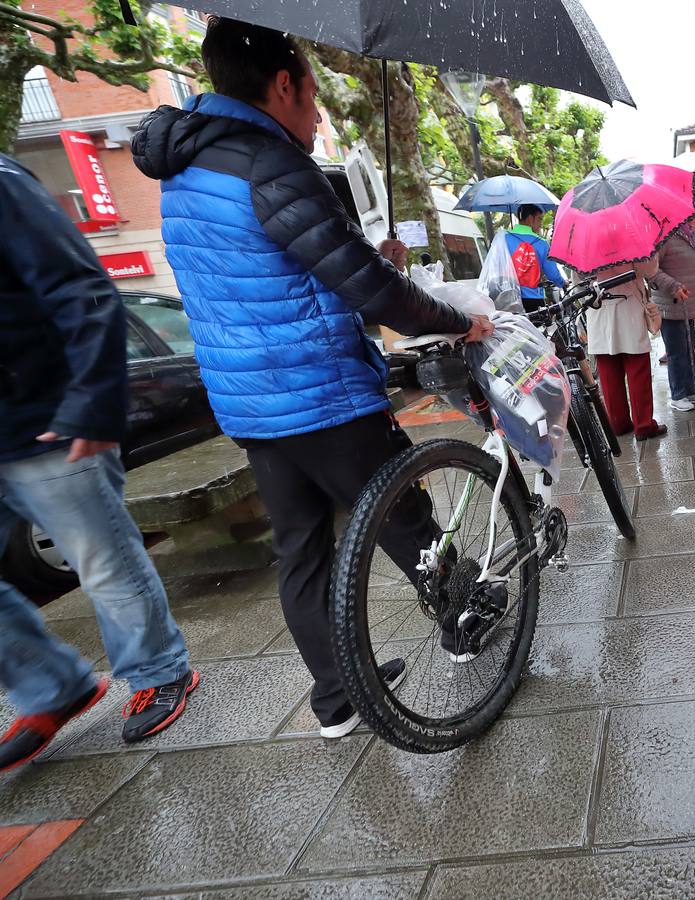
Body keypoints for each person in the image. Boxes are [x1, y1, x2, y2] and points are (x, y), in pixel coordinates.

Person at [132, 17, 493, 740]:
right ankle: (465, 625)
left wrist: (368, 248)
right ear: (284, 82)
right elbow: (372, 290)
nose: (319, 109)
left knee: (301, 550)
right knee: (405, 518)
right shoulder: (272, 164)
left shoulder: (185, 171)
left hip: (249, 402)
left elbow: (270, 271)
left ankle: (336, 699)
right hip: (321, 390)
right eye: (310, 88)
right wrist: (455, 320)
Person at [0, 154, 198, 771]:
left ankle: (160, 670)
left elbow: (82, 288)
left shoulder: (3, 186)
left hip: (48, 419)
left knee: (102, 560)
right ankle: (55, 687)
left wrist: (91, 400)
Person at [587, 257, 666, 441]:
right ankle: (644, 425)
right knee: (638, 370)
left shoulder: (582, 240)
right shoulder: (628, 235)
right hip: (628, 306)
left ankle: (618, 423)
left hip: (598, 310)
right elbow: (649, 269)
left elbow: (578, 280)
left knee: (608, 372)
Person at [651, 221, 695, 411]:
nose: (692, 210)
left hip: (688, 301)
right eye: (691, 203)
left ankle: (690, 390)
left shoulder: (690, 233)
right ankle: (678, 395)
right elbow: (651, 272)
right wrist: (672, 286)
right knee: (676, 352)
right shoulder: (663, 234)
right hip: (671, 302)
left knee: (689, 348)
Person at [505, 204, 568, 313]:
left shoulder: (504, 238)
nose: (541, 224)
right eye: (539, 219)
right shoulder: (541, 243)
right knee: (536, 329)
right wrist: (562, 283)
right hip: (533, 299)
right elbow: (552, 274)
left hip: (507, 297)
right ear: (530, 218)